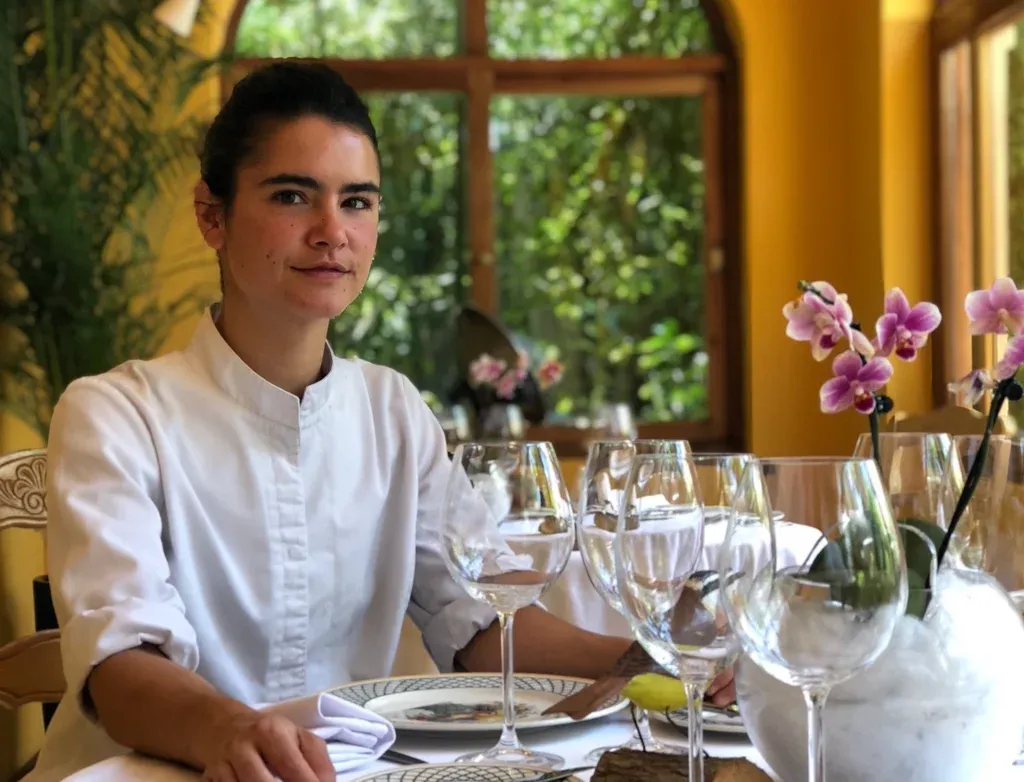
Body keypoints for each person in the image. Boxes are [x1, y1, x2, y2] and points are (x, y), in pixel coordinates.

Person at [27, 61, 731, 782]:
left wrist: (657, 657)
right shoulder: (115, 414)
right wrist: (232, 731)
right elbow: (119, 664)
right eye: (292, 196)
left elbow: (480, 621)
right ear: (213, 215)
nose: (332, 231)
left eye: (357, 201)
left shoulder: (393, 409)